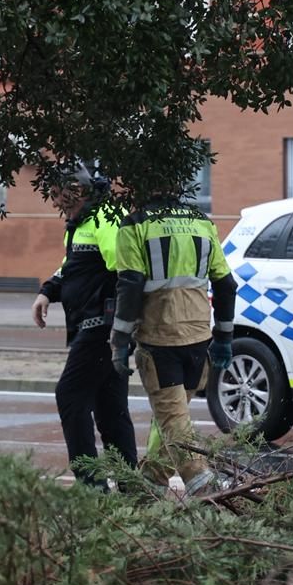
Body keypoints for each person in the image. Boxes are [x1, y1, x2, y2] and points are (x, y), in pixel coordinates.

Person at [110, 189, 236, 497]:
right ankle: (147, 488)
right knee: (171, 420)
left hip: (159, 338)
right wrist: (224, 337)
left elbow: (129, 285)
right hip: (199, 340)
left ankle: (204, 486)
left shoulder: (135, 224)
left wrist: (119, 340)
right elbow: (225, 283)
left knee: (172, 422)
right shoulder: (201, 221)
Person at [32, 173, 138, 487]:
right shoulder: (83, 224)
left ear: (76, 191)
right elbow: (72, 266)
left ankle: (90, 486)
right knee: (110, 408)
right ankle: (131, 485)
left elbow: (126, 273)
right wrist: (48, 291)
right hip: (95, 327)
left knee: (70, 395)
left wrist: (119, 329)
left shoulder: (107, 219)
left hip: (102, 329)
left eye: (56, 195)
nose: (54, 203)